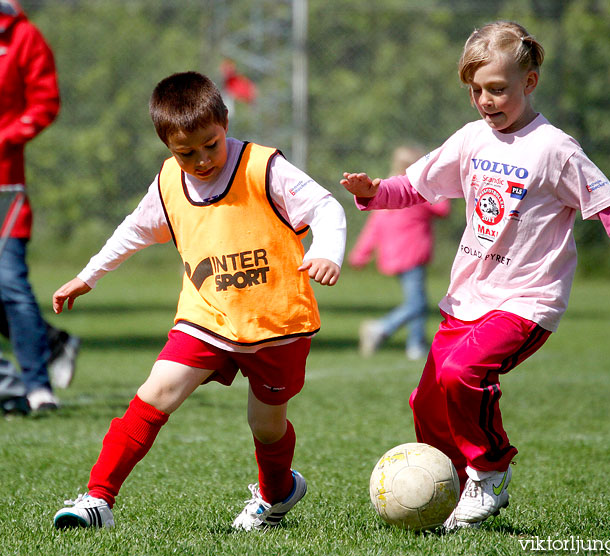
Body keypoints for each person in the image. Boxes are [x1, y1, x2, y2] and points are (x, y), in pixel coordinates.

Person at [341, 21, 610, 531]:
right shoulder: (472, 138)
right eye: (476, 90)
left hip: (527, 301)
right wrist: (373, 192)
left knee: (463, 375)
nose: (485, 100)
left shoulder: (554, 148)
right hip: (467, 298)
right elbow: (417, 185)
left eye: (497, 88)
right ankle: (449, 494)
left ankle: (491, 470)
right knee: (427, 401)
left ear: (530, 82)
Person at [51, 71, 345, 531]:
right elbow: (134, 230)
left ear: (225, 122)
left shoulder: (263, 166)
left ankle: (278, 493)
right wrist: (88, 275)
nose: (202, 160)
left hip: (277, 322)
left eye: (211, 145)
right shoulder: (170, 180)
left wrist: (327, 251)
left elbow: (327, 208)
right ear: (167, 145)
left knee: (266, 427)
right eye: (186, 153)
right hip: (206, 315)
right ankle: (97, 500)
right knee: (155, 394)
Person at [0, 0, 80, 412]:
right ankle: (51, 343)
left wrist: (6, 138)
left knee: (9, 283)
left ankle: (36, 386)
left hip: (5, 188)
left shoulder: (22, 35)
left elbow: (44, 103)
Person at [349, 145, 450, 360]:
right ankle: (380, 328)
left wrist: (361, 253)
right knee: (418, 303)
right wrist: (440, 184)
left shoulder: (385, 192)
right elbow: (442, 210)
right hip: (413, 254)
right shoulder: (417, 193)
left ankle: (416, 345)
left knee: (416, 299)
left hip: (393, 256)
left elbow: (373, 226)